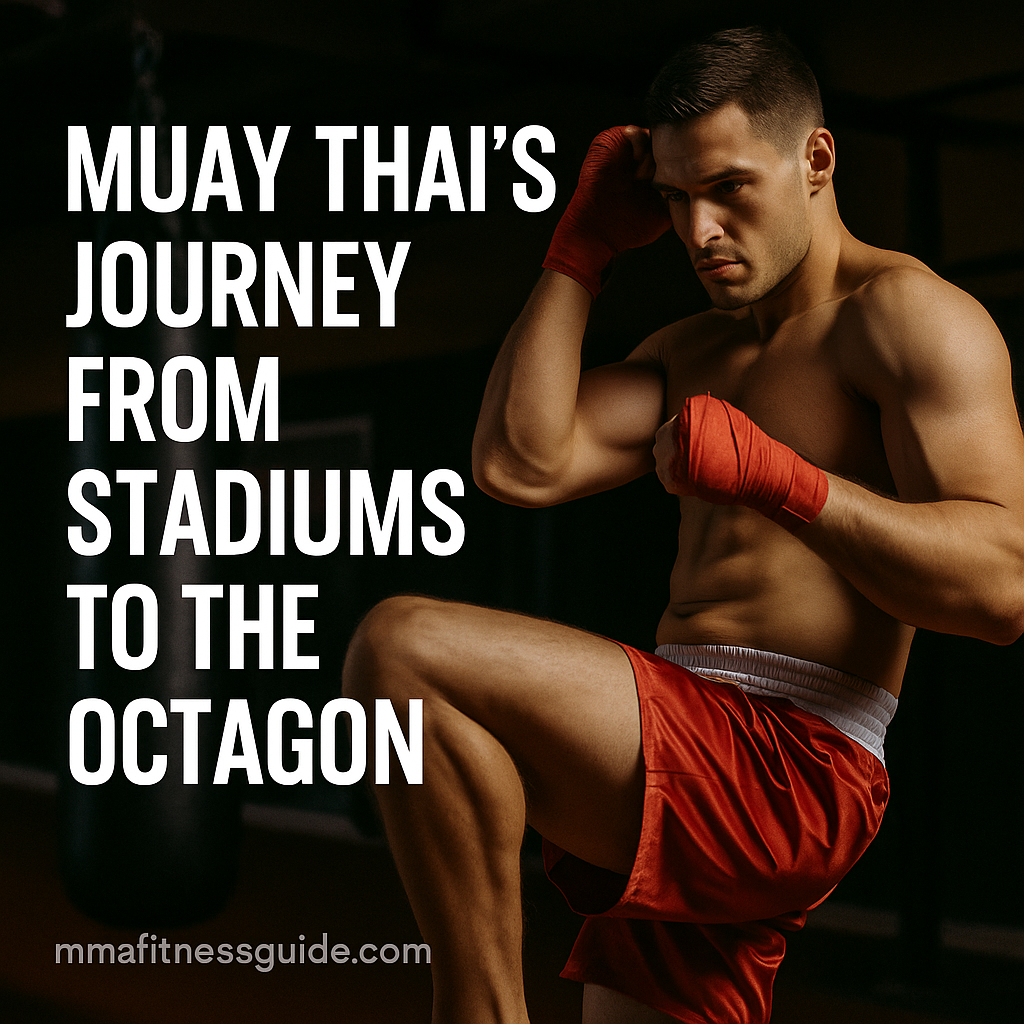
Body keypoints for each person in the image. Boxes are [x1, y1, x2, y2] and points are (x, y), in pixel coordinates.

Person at [342, 25, 1024, 1024]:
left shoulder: (907, 317)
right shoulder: (690, 348)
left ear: (815, 161)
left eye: (727, 188)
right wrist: (577, 253)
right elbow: (515, 463)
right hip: (688, 762)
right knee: (438, 712)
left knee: (402, 650)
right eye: (672, 197)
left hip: (792, 763)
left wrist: (782, 482)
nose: (698, 228)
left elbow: (1003, 590)